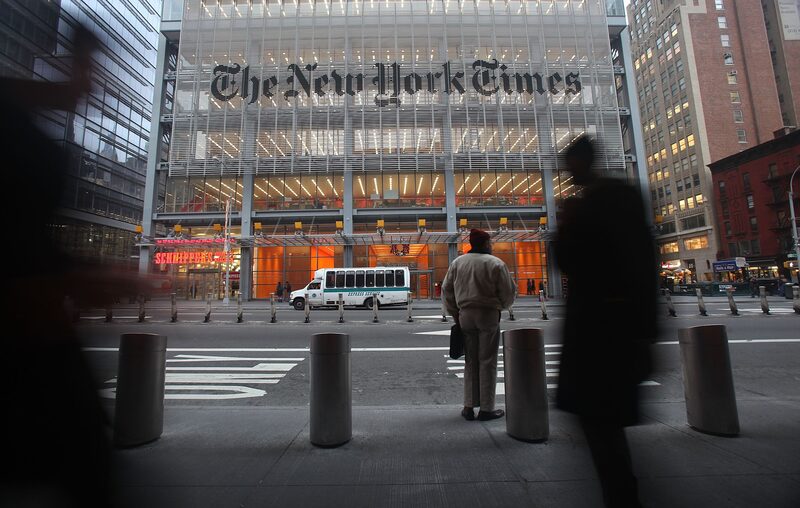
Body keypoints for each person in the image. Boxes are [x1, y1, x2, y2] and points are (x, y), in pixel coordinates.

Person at [0, 24, 149, 507]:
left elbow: (26, 235)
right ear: (51, 60)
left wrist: (80, 274)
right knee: (85, 465)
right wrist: (76, 278)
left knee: (87, 464)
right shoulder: (13, 127)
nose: (90, 85)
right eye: (85, 66)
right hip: (30, 341)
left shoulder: (27, 128)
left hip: (46, 343)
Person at [554, 136, 657, 508]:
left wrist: (565, 225)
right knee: (606, 427)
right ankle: (622, 493)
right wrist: (646, 333)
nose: (566, 173)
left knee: (601, 427)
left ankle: (622, 497)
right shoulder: (625, 196)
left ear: (582, 162)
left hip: (597, 336)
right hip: (622, 331)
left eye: (569, 165)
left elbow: (571, 261)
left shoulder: (591, 204)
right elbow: (646, 264)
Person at [442, 229, 516, 421]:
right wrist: (501, 306)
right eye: (490, 243)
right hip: (488, 314)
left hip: (465, 315)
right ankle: (487, 409)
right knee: (488, 361)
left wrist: (455, 314)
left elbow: (446, 290)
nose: (491, 245)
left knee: (470, 361)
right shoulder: (496, 263)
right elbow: (508, 294)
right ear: (484, 244)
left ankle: (468, 407)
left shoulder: (457, 263)